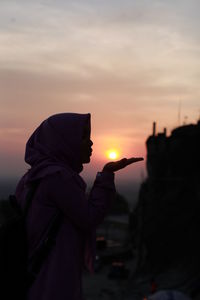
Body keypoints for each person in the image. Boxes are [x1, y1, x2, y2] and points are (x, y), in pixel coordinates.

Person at [15, 112, 143, 300]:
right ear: (63, 141)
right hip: (54, 277)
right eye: (83, 137)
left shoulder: (32, 177)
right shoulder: (57, 177)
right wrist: (106, 175)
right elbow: (89, 217)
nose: (90, 143)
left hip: (35, 273)